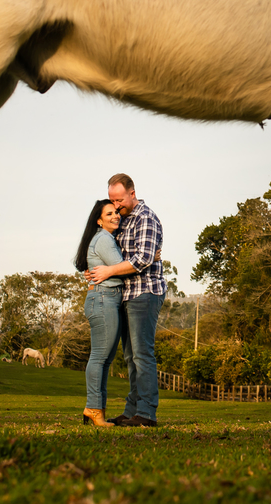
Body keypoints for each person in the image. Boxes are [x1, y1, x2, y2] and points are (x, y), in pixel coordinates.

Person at [85, 173, 165, 427]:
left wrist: (109, 271)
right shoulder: (124, 221)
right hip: (126, 295)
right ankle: (131, 412)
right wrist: (97, 268)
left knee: (142, 355)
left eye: (119, 199)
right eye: (112, 200)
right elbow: (114, 254)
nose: (116, 205)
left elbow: (141, 259)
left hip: (144, 292)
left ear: (132, 193)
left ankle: (146, 413)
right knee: (131, 357)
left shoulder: (146, 219)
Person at [73, 199, 123, 427]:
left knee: (104, 359)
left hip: (105, 299)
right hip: (103, 299)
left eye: (116, 212)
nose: (116, 216)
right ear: (99, 220)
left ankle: (96, 410)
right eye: (109, 213)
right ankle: (93, 408)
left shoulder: (105, 238)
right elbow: (122, 267)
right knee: (100, 357)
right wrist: (150, 258)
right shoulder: (103, 239)